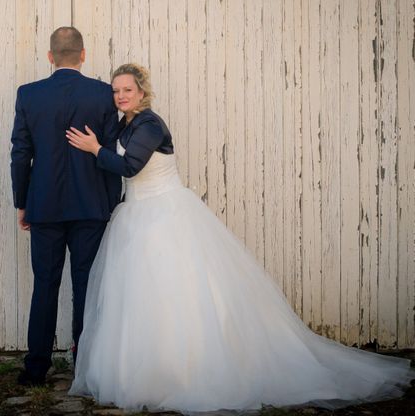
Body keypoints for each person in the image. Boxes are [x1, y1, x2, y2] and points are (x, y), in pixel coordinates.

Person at [65, 63, 414, 413]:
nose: (121, 96)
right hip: (137, 216)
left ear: (142, 91)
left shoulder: (150, 124)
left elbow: (130, 167)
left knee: (176, 293)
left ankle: (187, 372)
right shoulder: (126, 124)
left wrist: (95, 149)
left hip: (164, 216)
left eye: (127, 89)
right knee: (140, 298)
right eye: (116, 90)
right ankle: (144, 372)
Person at [10, 27, 121, 387]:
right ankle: (84, 364)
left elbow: (20, 154)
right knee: (86, 284)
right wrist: (110, 204)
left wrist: (22, 203)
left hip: (44, 206)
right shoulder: (104, 94)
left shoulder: (29, 95)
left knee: (45, 284)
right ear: (84, 55)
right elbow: (108, 154)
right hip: (91, 207)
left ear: (50, 56)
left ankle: (36, 367)